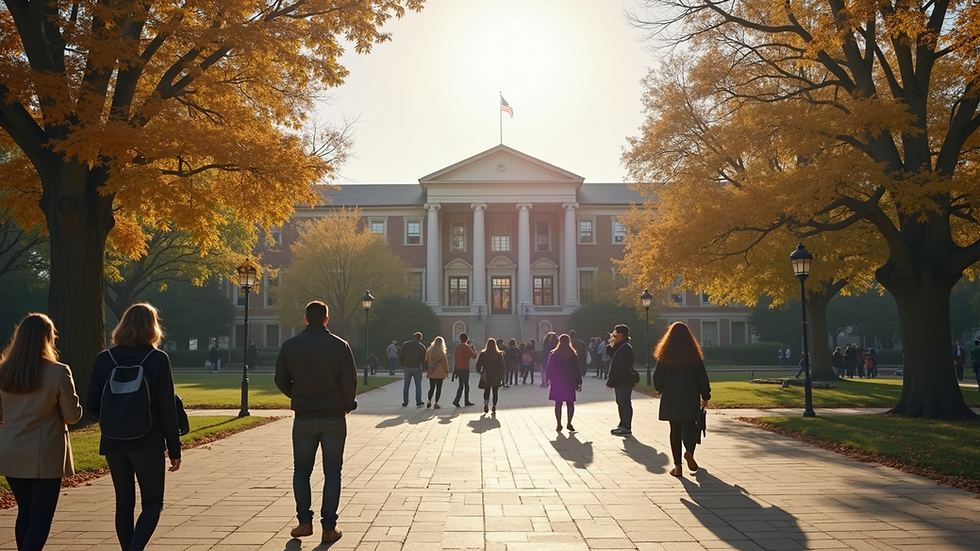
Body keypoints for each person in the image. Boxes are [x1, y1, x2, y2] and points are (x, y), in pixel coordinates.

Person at [87, 303, 182, 551]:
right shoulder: (158, 359)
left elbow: (92, 404)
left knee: (124, 504)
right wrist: (174, 449)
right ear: (153, 327)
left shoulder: (104, 359)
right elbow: (166, 408)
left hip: (113, 441)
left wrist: (115, 420)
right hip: (147, 441)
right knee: (152, 503)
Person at [274, 300, 357, 545]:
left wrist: (297, 395)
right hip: (333, 415)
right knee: (332, 472)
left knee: (302, 470)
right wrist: (346, 404)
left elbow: (280, 379)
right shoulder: (340, 345)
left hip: (304, 416)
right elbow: (349, 382)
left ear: (306, 319)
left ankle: (304, 521)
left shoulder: (290, 345)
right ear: (327, 319)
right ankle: (329, 527)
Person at [0, 313, 83, 551]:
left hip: (12, 449)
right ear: (47, 338)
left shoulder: (3, 371)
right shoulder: (58, 371)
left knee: (24, 512)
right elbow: (72, 415)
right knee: (41, 516)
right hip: (44, 452)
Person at [653, 322, 711, 477]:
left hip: (671, 396)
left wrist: (660, 389)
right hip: (690, 396)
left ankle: (678, 466)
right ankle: (690, 452)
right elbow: (702, 378)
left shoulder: (665, 355)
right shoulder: (694, 356)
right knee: (690, 427)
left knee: (675, 430)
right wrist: (705, 395)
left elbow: (657, 377)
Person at [548, 334, 583, 432]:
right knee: (570, 403)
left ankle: (559, 424)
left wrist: (549, 378)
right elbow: (577, 369)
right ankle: (569, 423)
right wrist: (579, 382)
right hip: (569, 381)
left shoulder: (554, 354)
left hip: (557, 381)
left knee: (558, 404)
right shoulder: (572, 354)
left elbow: (549, 367)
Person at [606, 324, 636, 436]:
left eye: (616, 332)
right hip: (621, 380)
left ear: (622, 334)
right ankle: (622, 423)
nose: (613, 334)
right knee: (620, 402)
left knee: (625, 403)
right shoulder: (620, 346)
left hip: (624, 381)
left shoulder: (625, 348)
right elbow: (611, 355)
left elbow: (622, 368)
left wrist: (612, 381)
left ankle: (626, 426)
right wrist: (611, 343)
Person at [475, 338, 506, 414]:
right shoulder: (499, 354)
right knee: (495, 392)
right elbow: (503, 366)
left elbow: (478, 364)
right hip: (496, 375)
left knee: (487, 390)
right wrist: (502, 375)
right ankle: (494, 406)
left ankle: (486, 403)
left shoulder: (483, 354)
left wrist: (479, 371)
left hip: (487, 375)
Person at [398, 332, 426, 407]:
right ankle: (418, 401)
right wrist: (424, 367)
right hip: (417, 367)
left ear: (413, 336)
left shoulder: (406, 344)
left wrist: (403, 364)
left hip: (407, 366)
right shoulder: (421, 346)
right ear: (420, 338)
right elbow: (424, 358)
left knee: (406, 385)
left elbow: (401, 356)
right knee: (418, 385)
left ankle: (405, 401)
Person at [452, 333, 478, 407]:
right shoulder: (466, 347)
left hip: (458, 367)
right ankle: (466, 400)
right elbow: (474, 356)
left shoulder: (457, 346)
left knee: (460, 385)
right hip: (465, 368)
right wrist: (473, 348)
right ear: (467, 339)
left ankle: (457, 400)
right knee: (466, 385)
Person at [425, 336, 450, 409]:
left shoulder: (429, 352)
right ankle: (436, 403)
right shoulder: (442, 353)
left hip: (431, 372)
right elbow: (445, 364)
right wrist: (447, 371)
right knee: (439, 388)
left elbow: (427, 361)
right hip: (440, 373)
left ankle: (429, 400)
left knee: (431, 388)